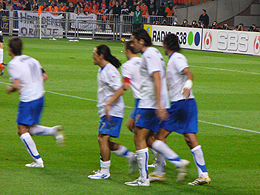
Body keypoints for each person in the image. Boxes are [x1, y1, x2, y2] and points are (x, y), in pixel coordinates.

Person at [124, 28, 190, 187]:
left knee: (138, 137)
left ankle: (143, 178)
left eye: (133, 41)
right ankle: (165, 168)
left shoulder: (149, 54)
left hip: (149, 103)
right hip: (151, 102)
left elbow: (157, 78)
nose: (132, 45)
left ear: (141, 41)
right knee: (149, 139)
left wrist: (160, 104)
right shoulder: (152, 53)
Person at [152, 33, 211, 185]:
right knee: (190, 138)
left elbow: (188, 72)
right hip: (189, 103)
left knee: (159, 137)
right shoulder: (174, 59)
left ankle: (162, 170)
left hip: (180, 104)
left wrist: (187, 85)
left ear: (166, 45)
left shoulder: (177, 58)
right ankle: (203, 174)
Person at [6, 38, 65, 168]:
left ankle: (38, 161)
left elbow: (15, 85)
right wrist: (33, 86)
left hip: (29, 99)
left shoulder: (13, 64)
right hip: (40, 97)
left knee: (21, 130)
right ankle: (53, 131)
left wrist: (10, 89)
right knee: (29, 129)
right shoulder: (32, 59)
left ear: (10, 49)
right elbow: (45, 76)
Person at [88, 45, 137, 179]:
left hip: (113, 111)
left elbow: (120, 89)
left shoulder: (110, 71)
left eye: (94, 53)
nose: (92, 56)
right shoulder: (103, 69)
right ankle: (130, 156)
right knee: (105, 141)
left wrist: (108, 104)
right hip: (109, 110)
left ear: (101, 56)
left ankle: (105, 172)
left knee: (102, 138)